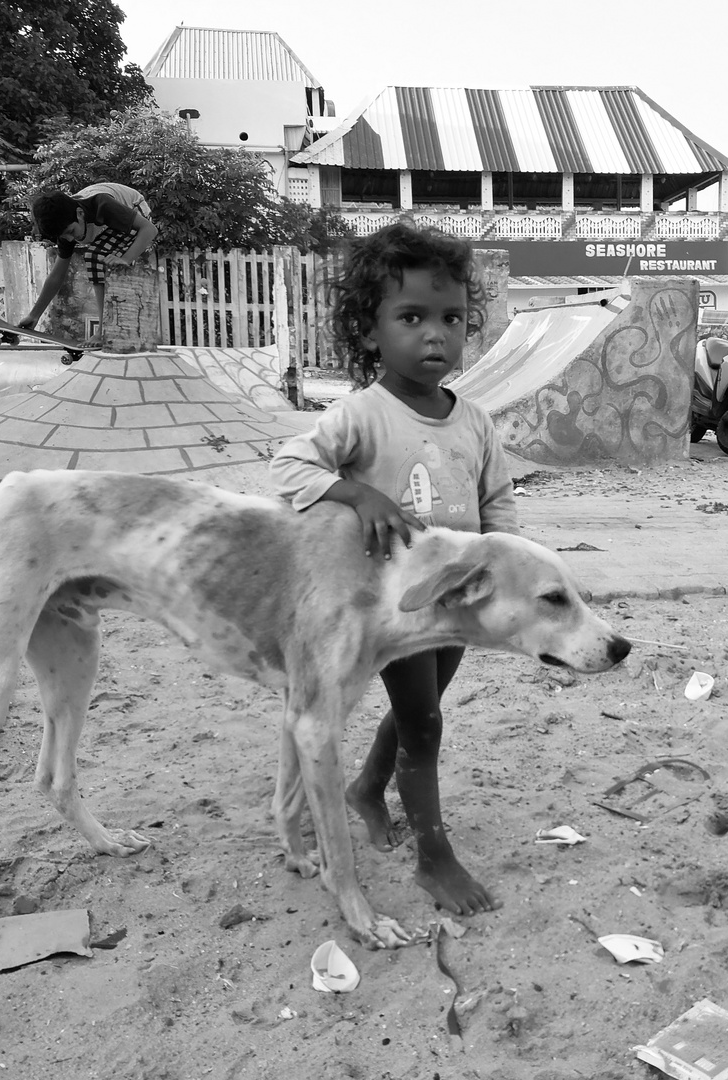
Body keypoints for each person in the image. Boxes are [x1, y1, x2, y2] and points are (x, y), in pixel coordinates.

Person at [269, 221, 517, 917]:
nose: (434, 335)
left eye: (450, 318)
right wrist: (356, 491)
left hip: (460, 597)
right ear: (371, 330)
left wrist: (500, 565)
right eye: (411, 318)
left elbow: (497, 498)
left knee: (423, 710)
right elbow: (289, 467)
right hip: (397, 601)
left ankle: (367, 789)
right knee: (425, 721)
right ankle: (434, 856)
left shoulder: (475, 421)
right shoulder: (360, 416)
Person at [21, 183, 159, 346]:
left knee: (94, 256)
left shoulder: (102, 205)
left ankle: (103, 331)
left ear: (80, 214)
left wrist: (126, 259)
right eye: (65, 236)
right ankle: (109, 327)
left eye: (72, 232)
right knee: (97, 257)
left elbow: (150, 229)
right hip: (111, 227)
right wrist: (34, 315)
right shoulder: (64, 221)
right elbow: (57, 275)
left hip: (138, 212)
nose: (71, 239)